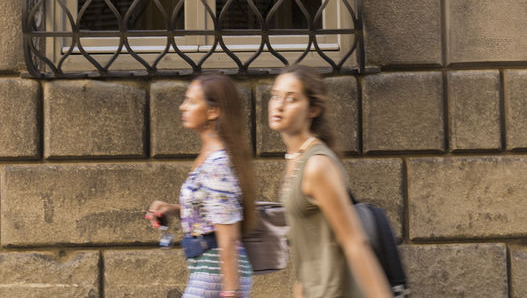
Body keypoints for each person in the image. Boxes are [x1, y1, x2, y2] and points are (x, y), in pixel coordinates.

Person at [268, 66, 393, 298]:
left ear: (312, 110)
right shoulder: (295, 159)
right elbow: (306, 247)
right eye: (275, 96)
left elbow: (354, 242)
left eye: (291, 99)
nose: (279, 105)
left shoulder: (317, 165)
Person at [146, 73, 256, 298]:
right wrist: (173, 209)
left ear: (213, 111)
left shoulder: (217, 164)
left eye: (191, 101)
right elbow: (211, 213)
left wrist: (231, 291)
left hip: (216, 271)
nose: (182, 106)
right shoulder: (210, 157)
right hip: (207, 267)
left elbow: (227, 234)